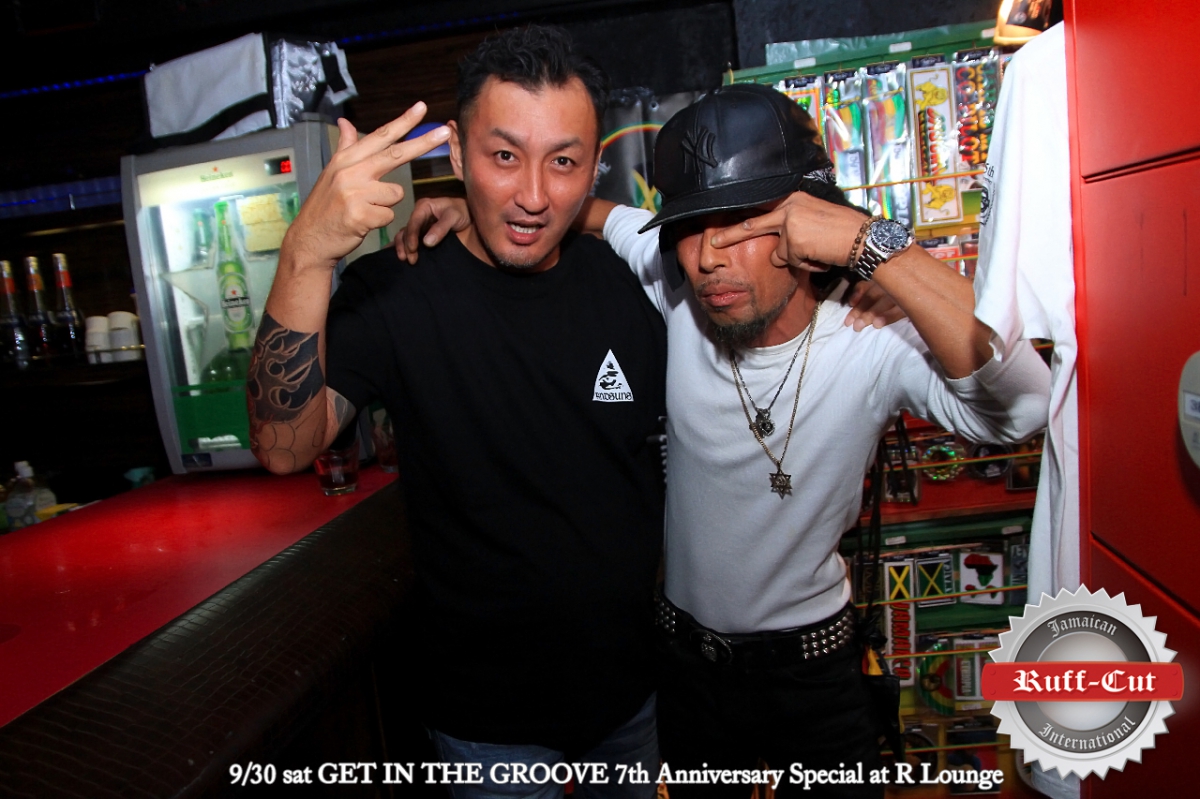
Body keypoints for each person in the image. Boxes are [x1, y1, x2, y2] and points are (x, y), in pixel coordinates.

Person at [406, 83, 1050, 797]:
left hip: (813, 676)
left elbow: (1025, 404)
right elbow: (588, 212)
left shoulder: (873, 338)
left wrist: (874, 248)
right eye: (690, 226)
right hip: (686, 672)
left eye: (743, 223)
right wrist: (481, 216)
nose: (709, 256)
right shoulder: (676, 286)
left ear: (811, 228)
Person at [247, 26, 666, 798]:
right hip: (486, 726)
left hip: (631, 699)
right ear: (456, 154)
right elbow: (282, 443)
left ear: (592, 166)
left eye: (563, 162)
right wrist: (306, 253)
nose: (533, 195)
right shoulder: (396, 289)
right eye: (504, 156)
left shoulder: (630, 283)